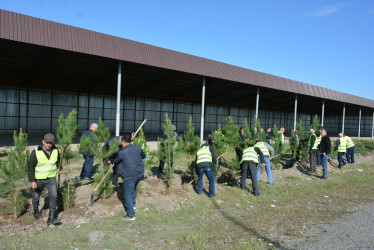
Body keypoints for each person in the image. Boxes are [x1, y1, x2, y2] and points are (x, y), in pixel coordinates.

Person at [28, 133, 62, 225]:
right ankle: (36, 211)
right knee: (36, 196)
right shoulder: (36, 152)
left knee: (54, 196)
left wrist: (59, 168)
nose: (49, 144)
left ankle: (51, 218)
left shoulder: (56, 150)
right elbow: (31, 166)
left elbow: (58, 161)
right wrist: (32, 180)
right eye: (47, 142)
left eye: (50, 143)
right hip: (39, 179)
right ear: (43, 142)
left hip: (51, 178)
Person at [112, 134, 145, 220]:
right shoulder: (137, 148)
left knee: (127, 195)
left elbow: (115, 161)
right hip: (139, 173)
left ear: (123, 141)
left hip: (129, 175)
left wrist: (111, 161)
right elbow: (143, 156)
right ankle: (132, 205)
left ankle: (131, 215)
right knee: (133, 189)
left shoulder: (122, 152)